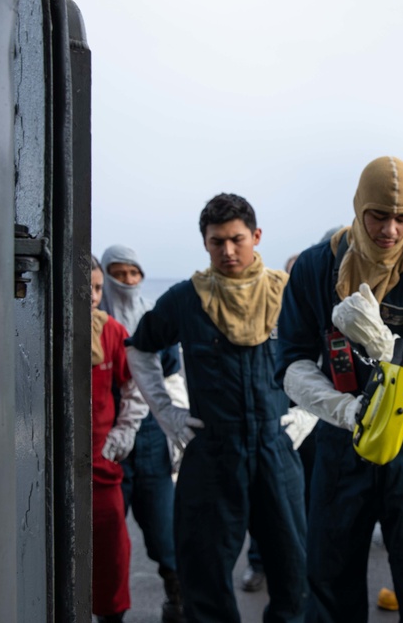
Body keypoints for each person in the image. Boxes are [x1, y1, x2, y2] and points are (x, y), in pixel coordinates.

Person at [276, 155, 403, 622]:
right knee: (329, 581)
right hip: (341, 444)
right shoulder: (316, 269)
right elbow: (293, 361)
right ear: (359, 208)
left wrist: (383, 344)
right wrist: (344, 410)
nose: (390, 230)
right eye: (378, 215)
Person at [126, 194, 308, 622]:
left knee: (294, 575)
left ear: (256, 236)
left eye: (237, 239)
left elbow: (323, 353)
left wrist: (307, 416)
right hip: (211, 451)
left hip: (275, 448)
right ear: (205, 243)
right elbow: (139, 350)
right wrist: (168, 415)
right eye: (216, 242)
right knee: (203, 579)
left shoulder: (288, 294)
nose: (227, 251)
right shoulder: (187, 299)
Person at [99, 244, 189, 623]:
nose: (127, 281)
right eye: (118, 274)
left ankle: (177, 600)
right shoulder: (93, 321)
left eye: (134, 274)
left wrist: (177, 428)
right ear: (104, 277)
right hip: (106, 438)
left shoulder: (155, 318)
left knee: (164, 529)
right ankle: (109, 612)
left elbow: (172, 375)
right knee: (108, 538)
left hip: (151, 439)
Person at [240, 249, 319, 595]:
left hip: (313, 420)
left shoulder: (318, 314)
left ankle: (304, 563)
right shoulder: (269, 314)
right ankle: (258, 561)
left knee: (308, 495)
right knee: (263, 495)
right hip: (274, 420)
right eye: (291, 277)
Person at [89, 254, 148, 623]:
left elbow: (135, 385)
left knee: (112, 552)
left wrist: (123, 432)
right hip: (44, 467)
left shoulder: (110, 331)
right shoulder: (36, 330)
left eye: (97, 288)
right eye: (86, 288)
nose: (93, 296)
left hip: (101, 464)